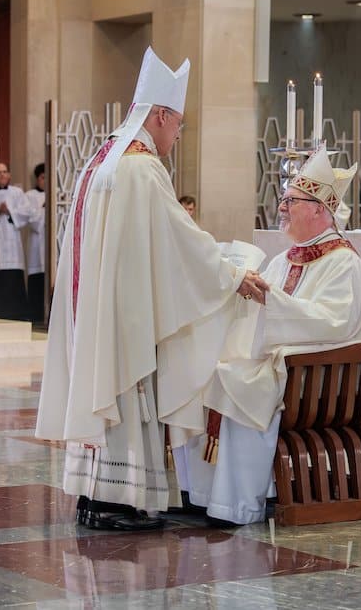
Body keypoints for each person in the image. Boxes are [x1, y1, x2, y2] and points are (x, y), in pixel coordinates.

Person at [35, 46, 269, 531]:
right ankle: (116, 501)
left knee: (102, 387)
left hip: (94, 307)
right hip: (123, 313)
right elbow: (179, 240)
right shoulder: (141, 169)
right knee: (123, 390)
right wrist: (232, 275)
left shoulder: (98, 161)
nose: (178, 136)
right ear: (159, 115)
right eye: (178, 125)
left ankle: (90, 494)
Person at [175, 146, 361, 526]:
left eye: (291, 201)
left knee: (237, 386)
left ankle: (237, 505)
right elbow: (261, 311)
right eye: (283, 199)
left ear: (319, 209)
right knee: (202, 372)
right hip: (281, 364)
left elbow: (333, 324)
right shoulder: (286, 258)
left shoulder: (344, 263)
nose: (282, 208)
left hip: (317, 377)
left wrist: (271, 299)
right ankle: (202, 495)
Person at [0, 162, 39, 320]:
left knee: (11, 275)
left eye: (5, 172)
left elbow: (27, 212)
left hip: (11, 240)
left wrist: (10, 211)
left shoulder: (17, 193)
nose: (2, 175)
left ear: (9, 175)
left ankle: (14, 312)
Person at [24, 164, 46, 322]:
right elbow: (32, 220)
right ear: (37, 179)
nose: (45, 181)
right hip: (37, 243)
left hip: (54, 244)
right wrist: (44, 208)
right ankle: (36, 314)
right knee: (38, 279)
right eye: (43, 177)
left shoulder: (59, 193)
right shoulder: (30, 196)